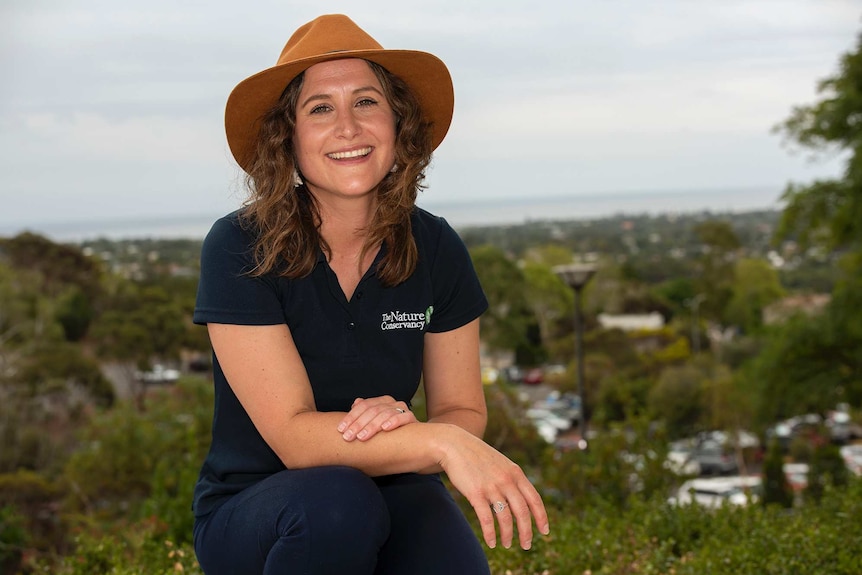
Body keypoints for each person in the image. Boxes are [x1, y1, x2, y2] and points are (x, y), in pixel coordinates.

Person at [192, 14, 549, 575]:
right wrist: (441, 444)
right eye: (320, 108)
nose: (348, 127)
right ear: (287, 136)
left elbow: (460, 408)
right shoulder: (240, 244)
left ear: (397, 124)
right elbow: (295, 439)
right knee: (336, 503)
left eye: (366, 102)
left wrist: (425, 428)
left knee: (441, 544)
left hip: (393, 487)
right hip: (259, 510)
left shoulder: (435, 245)